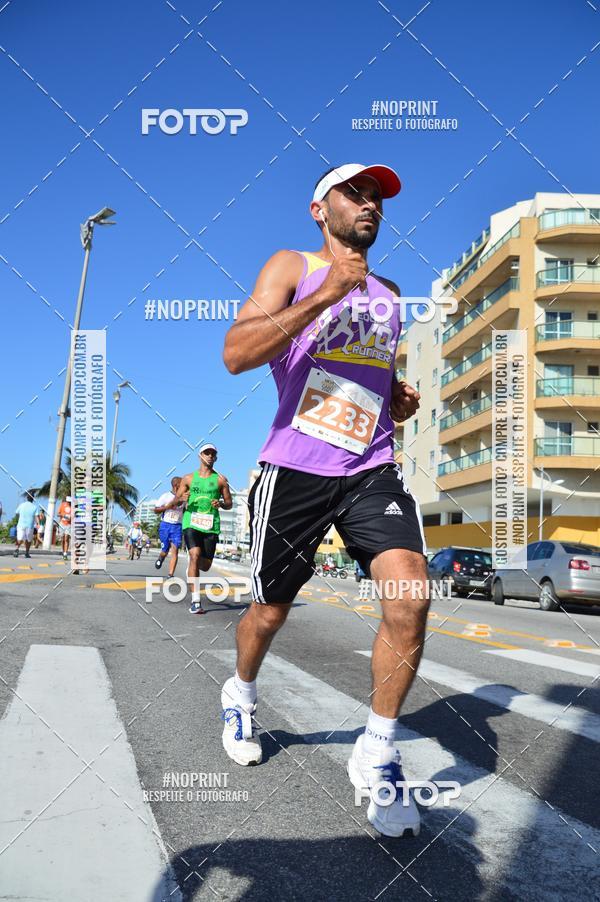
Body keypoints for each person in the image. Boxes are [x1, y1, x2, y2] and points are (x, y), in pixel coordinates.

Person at [221, 163, 426, 837]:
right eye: (355, 193)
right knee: (271, 611)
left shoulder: (392, 295)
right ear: (321, 208)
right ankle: (243, 693)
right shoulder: (293, 265)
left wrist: (397, 397)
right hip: (296, 470)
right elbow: (236, 352)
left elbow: (376, 380)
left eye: (377, 198)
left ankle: (378, 750)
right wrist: (326, 292)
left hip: (371, 469)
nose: (369, 205)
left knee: (411, 596)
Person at [165, 444, 232, 615]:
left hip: (210, 525)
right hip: (191, 522)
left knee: (205, 565)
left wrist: (221, 504)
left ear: (216, 458)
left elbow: (229, 503)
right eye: (206, 453)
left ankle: (195, 563)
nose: (210, 456)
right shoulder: (188, 478)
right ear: (200, 456)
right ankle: (196, 601)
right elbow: (175, 501)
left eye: (213, 454)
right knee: (194, 556)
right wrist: (182, 498)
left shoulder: (221, 480)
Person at [154, 477, 184, 578]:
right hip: (165, 525)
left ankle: (170, 574)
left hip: (177, 527)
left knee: (175, 550)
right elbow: (156, 510)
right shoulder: (165, 496)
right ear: (176, 486)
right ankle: (161, 558)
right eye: (182, 484)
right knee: (165, 551)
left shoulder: (185, 497)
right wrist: (167, 507)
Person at [14, 492, 37, 558]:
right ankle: (26, 552)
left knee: (20, 538)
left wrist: (18, 519)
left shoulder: (22, 505)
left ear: (27, 498)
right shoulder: (34, 507)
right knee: (28, 540)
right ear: (33, 499)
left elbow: (16, 513)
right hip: (29, 526)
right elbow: (36, 517)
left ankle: (17, 549)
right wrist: (37, 524)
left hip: (21, 524)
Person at [57, 496, 73, 561]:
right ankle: (63, 552)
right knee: (63, 539)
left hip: (69, 524)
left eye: (70, 502)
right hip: (62, 524)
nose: (69, 503)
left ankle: (65, 554)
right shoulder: (62, 505)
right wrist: (63, 515)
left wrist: (70, 518)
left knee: (66, 538)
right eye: (68, 502)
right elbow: (58, 514)